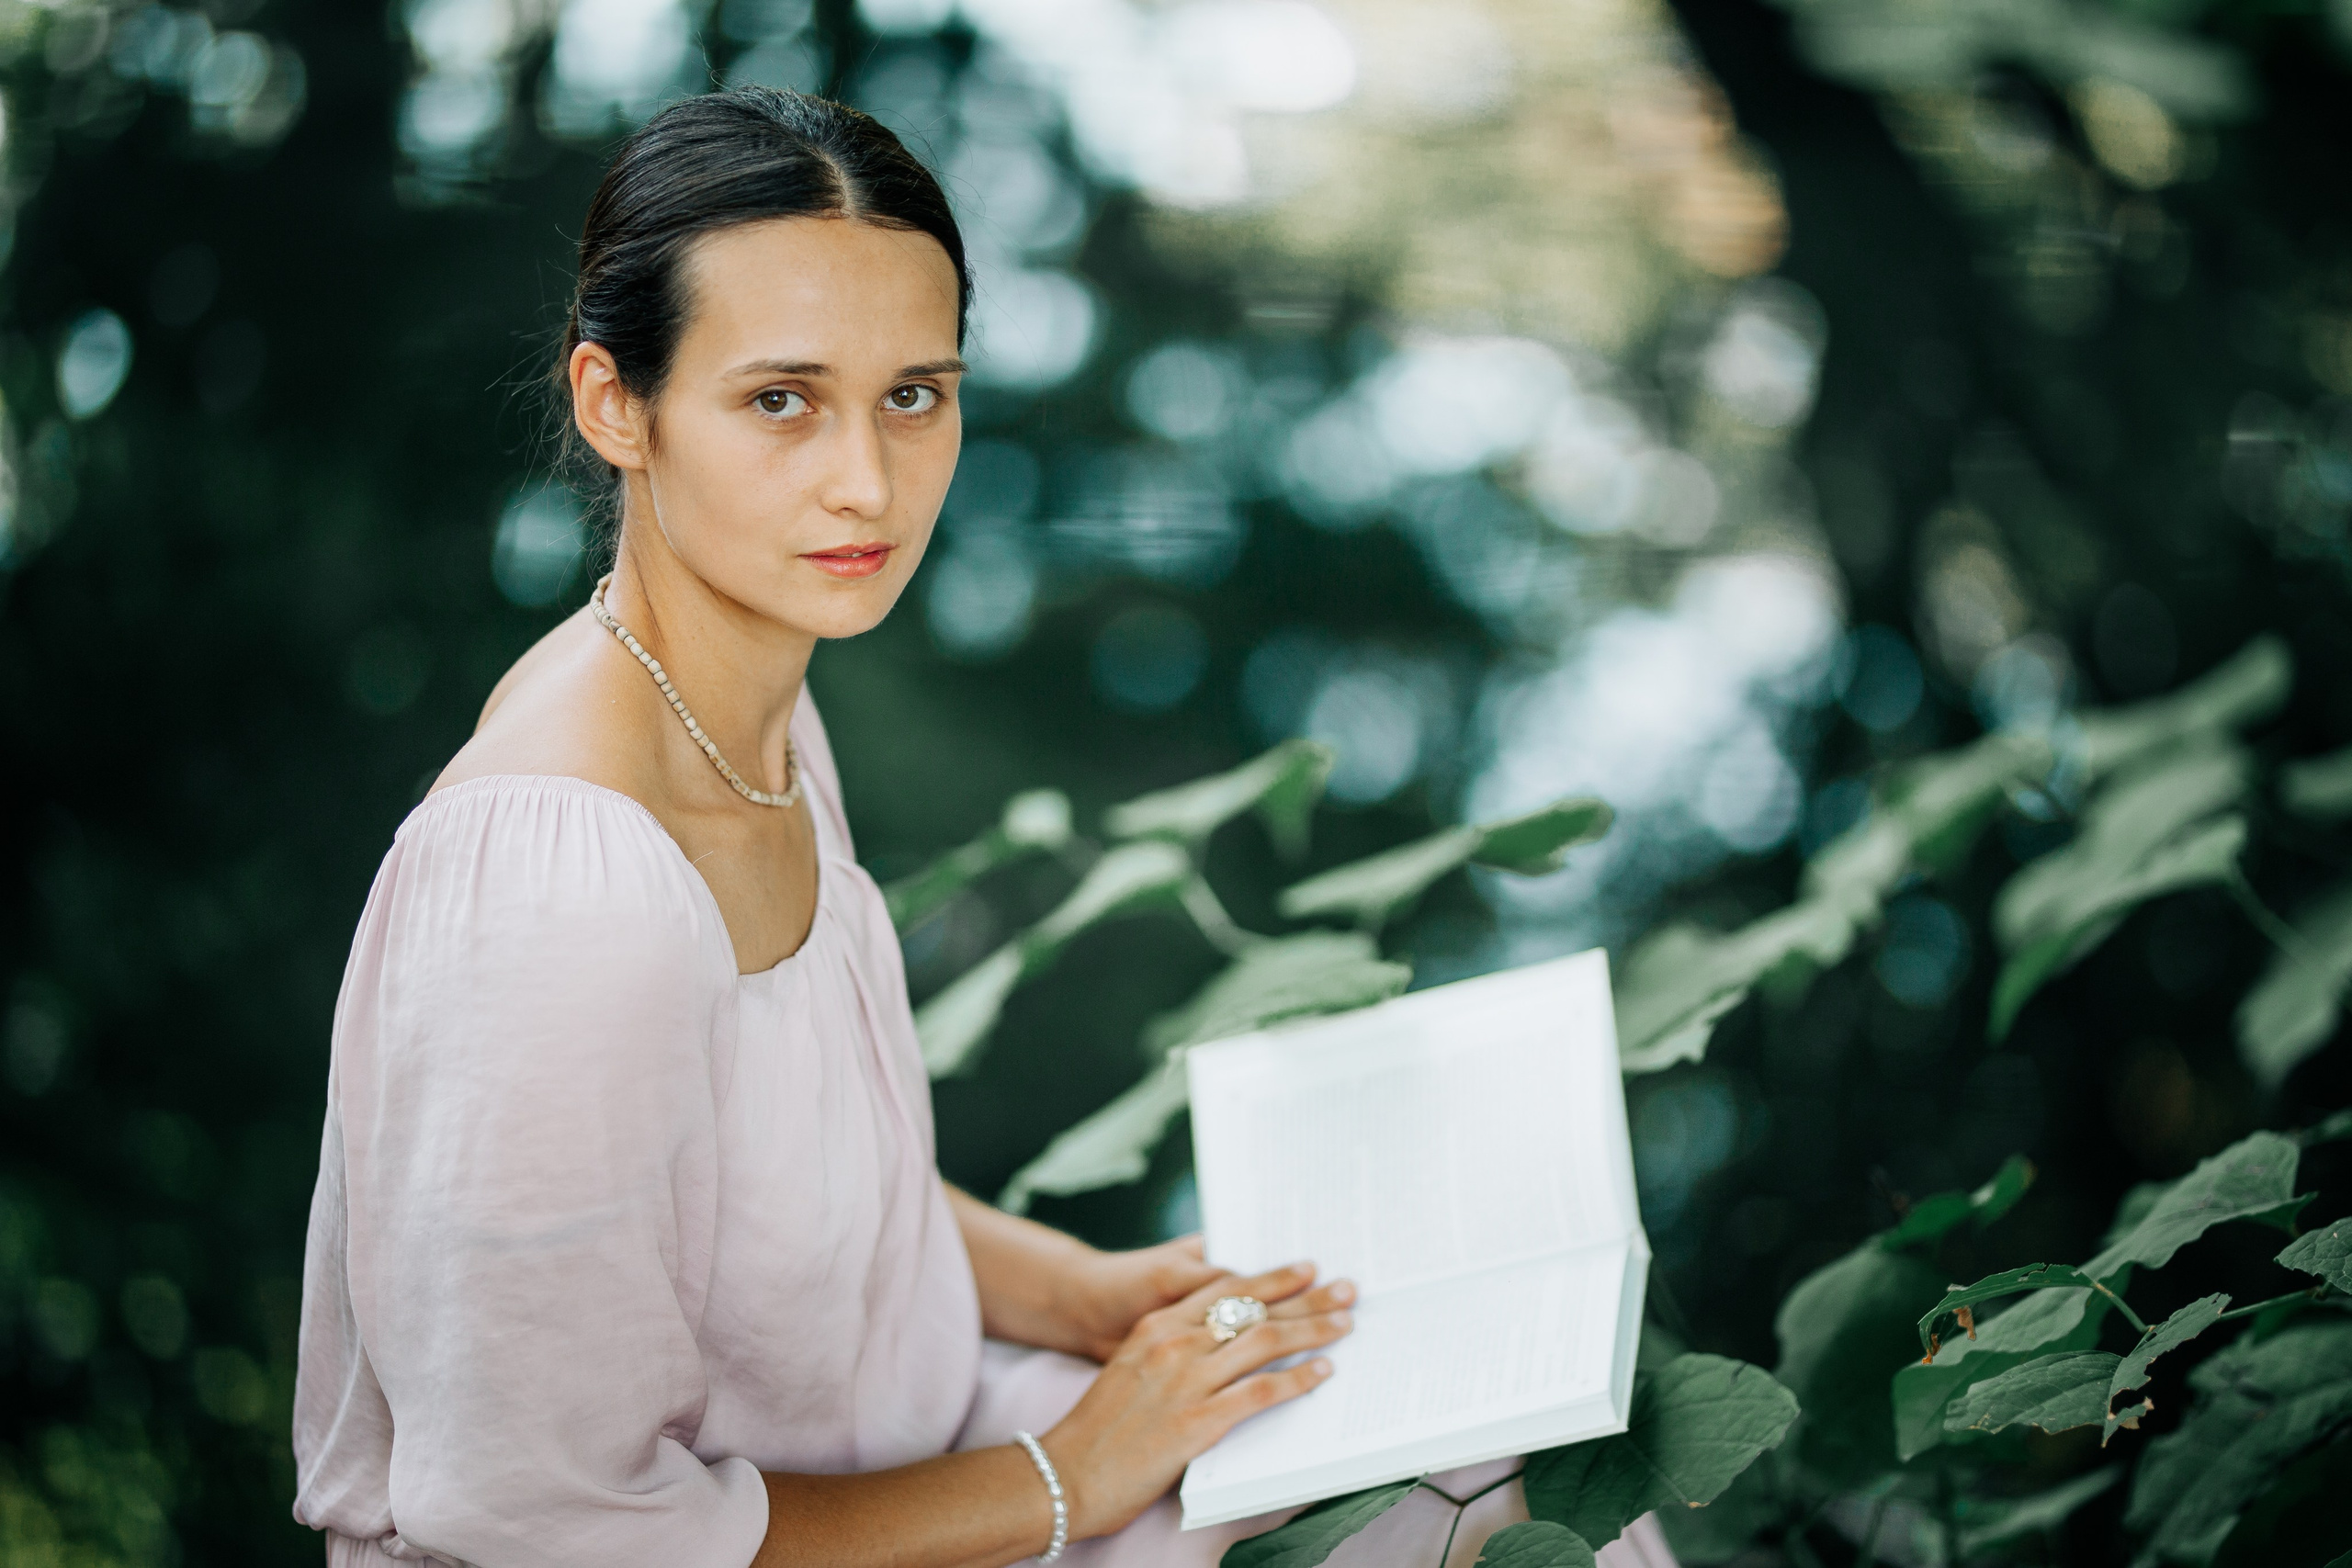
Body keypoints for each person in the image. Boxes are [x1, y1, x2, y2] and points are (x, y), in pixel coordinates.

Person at [288, 85, 1673, 1568]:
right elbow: (548, 1521)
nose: (868, 484)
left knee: (1507, 1456)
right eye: (781, 401)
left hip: (914, 1444)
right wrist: (1073, 1473)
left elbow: (780, 1188)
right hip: (772, 1536)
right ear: (615, 404)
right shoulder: (566, 886)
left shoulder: (743, 711)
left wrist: (1084, 1294)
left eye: (914, 395)